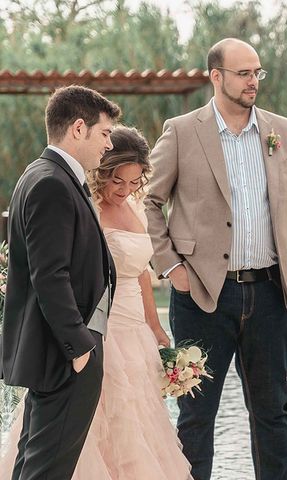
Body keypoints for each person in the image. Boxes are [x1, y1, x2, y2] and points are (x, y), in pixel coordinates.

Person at [144, 37, 287, 480]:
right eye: (243, 73)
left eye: (257, 72)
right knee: (197, 417)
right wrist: (172, 267)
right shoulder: (182, 131)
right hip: (201, 296)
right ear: (216, 76)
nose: (253, 81)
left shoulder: (283, 130)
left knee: (272, 414)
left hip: (270, 295)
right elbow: (149, 201)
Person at [0, 126, 192, 479]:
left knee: (141, 426)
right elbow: (61, 273)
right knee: (90, 428)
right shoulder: (85, 206)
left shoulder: (136, 207)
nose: (125, 190)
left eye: (134, 182)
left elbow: (140, 272)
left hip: (136, 330)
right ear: (104, 169)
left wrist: (153, 325)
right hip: (99, 328)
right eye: (118, 180)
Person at [0, 85, 119, 480]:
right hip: (63, 354)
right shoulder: (51, 182)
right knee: (48, 469)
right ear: (79, 128)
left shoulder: (44, 175)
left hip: (54, 351)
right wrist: (79, 347)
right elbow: (49, 275)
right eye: (105, 134)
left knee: (33, 463)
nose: (108, 144)